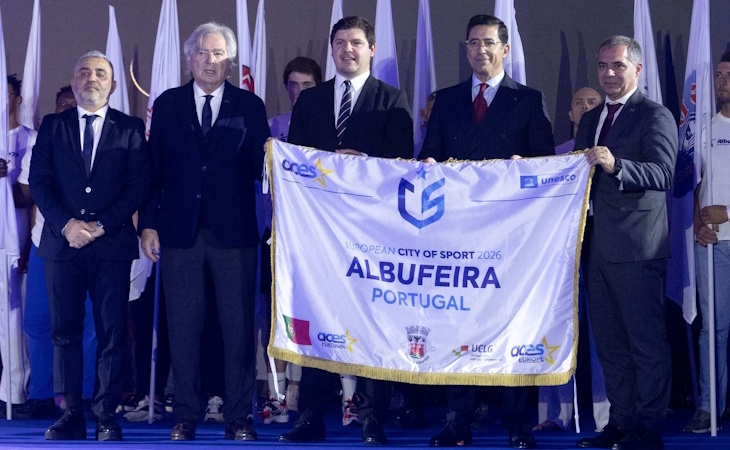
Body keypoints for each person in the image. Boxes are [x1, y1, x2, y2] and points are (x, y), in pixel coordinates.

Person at [419, 14, 554, 449]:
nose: (481, 50)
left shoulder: (528, 100)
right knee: (458, 326)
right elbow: (429, 155)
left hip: (509, 239)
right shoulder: (446, 100)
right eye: (473, 43)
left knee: (511, 325)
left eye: (489, 42)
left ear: (505, 49)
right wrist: (428, 166)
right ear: (466, 49)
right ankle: (457, 421)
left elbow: (546, 165)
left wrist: (523, 170)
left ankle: (517, 424)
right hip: (457, 237)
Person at [278, 15, 413, 446]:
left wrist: (363, 164)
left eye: (356, 42)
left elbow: (403, 166)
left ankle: (373, 418)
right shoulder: (311, 101)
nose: (347, 50)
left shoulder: (391, 99)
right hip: (319, 232)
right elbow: (295, 161)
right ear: (332, 49)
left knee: (374, 323)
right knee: (319, 317)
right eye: (340, 42)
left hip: (372, 234)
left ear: (371, 49)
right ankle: (310, 417)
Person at [139, 22, 270, 441]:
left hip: (234, 234)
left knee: (237, 330)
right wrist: (148, 224)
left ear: (230, 61)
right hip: (179, 233)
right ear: (189, 58)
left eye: (218, 54)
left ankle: (238, 417)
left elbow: (264, 169)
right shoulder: (168, 104)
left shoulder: (249, 106)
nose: (210, 61)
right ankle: (185, 414)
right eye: (202, 53)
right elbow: (152, 173)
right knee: (183, 329)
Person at [30, 51, 151, 441]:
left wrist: (100, 225)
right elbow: (40, 182)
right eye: (84, 72)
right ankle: (71, 414)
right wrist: (67, 225)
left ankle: (105, 415)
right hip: (62, 244)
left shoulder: (130, 128)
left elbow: (138, 186)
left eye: (100, 73)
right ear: (74, 81)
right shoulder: (53, 126)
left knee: (111, 332)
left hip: (111, 244)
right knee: (64, 331)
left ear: (112, 85)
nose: (91, 79)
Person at [574, 36, 677, 450]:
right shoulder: (591, 118)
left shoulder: (655, 115)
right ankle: (620, 422)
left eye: (617, 65)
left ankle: (647, 431)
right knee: (611, 345)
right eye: (603, 66)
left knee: (645, 345)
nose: (609, 74)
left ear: (637, 69)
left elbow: (663, 173)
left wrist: (617, 165)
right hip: (595, 248)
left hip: (637, 249)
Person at [14, 86, 99, 421]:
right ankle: (41, 394)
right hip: (46, 244)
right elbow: (27, 194)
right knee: (38, 321)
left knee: (89, 323)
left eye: (72, 104)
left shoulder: (101, 139)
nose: (66, 109)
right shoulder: (41, 141)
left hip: (92, 243)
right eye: (61, 104)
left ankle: (85, 395)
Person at [533, 86, 609, 433]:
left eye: (593, 102)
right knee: (556, 327)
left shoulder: (609, 152)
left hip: (602, 245)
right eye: (578, 102)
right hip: (559, 250)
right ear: (569, 113)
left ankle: (608, 412)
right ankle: (556, 412)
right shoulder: (555, 156)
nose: (585, 107)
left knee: (605, 332)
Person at [257, 56, 322, 424]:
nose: (299, 92)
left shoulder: (327, 128)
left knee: (316, 315)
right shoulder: (273, 128)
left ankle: (318, 392)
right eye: (293, 85)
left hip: (319, 238)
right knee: (274, 315)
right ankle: (277, 394)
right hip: (278, 237)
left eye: (307, 86)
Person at [684, 50, 730, 434]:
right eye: (718, 75)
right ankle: (708, 406)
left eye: (729, 74)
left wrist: (729, 212)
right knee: (713, 329)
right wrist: (699, 222)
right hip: (712, 245)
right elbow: (691, 186)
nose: (722, 81)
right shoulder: (703, 130)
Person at [0, 75, 32, 414]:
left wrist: (5, 182)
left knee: (13, 319)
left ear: (17, 99)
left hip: (13, 238)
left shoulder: (29, 138)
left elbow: (28, 196)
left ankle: (14, 394)